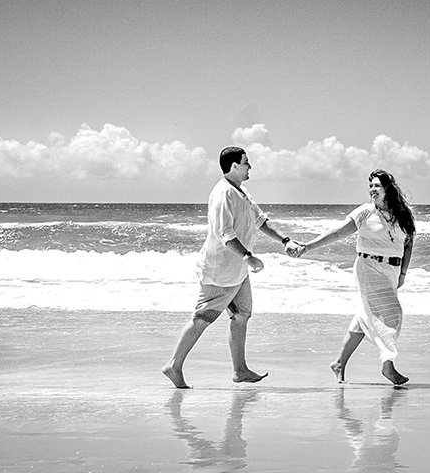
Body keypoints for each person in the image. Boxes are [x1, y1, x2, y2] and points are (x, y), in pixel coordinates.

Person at [162, 146, 304, 389]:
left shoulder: (242, 190)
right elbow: (225, 234)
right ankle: (174, 366)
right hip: (219, 270)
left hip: (237, 270)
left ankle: (240, 370)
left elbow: (261, 221)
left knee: (242, 315)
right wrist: (248, 256)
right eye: (246, 163)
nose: (250, 167)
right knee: (203, 317)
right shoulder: (223, 194)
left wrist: (285, 240)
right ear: (234, 166)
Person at [298, 169, 415, 386]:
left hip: (391, 271)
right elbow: (338, 232)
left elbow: (408, 244)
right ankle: (387, 365)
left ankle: (339, 363)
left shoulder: (402, 214)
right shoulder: (365, 212)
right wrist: (307, 247)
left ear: (388, 188)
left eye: (376, 186)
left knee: (365, 315)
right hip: (368, 266)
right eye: (370, 186)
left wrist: (403, 272)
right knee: (392, 314)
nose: (372, 189)